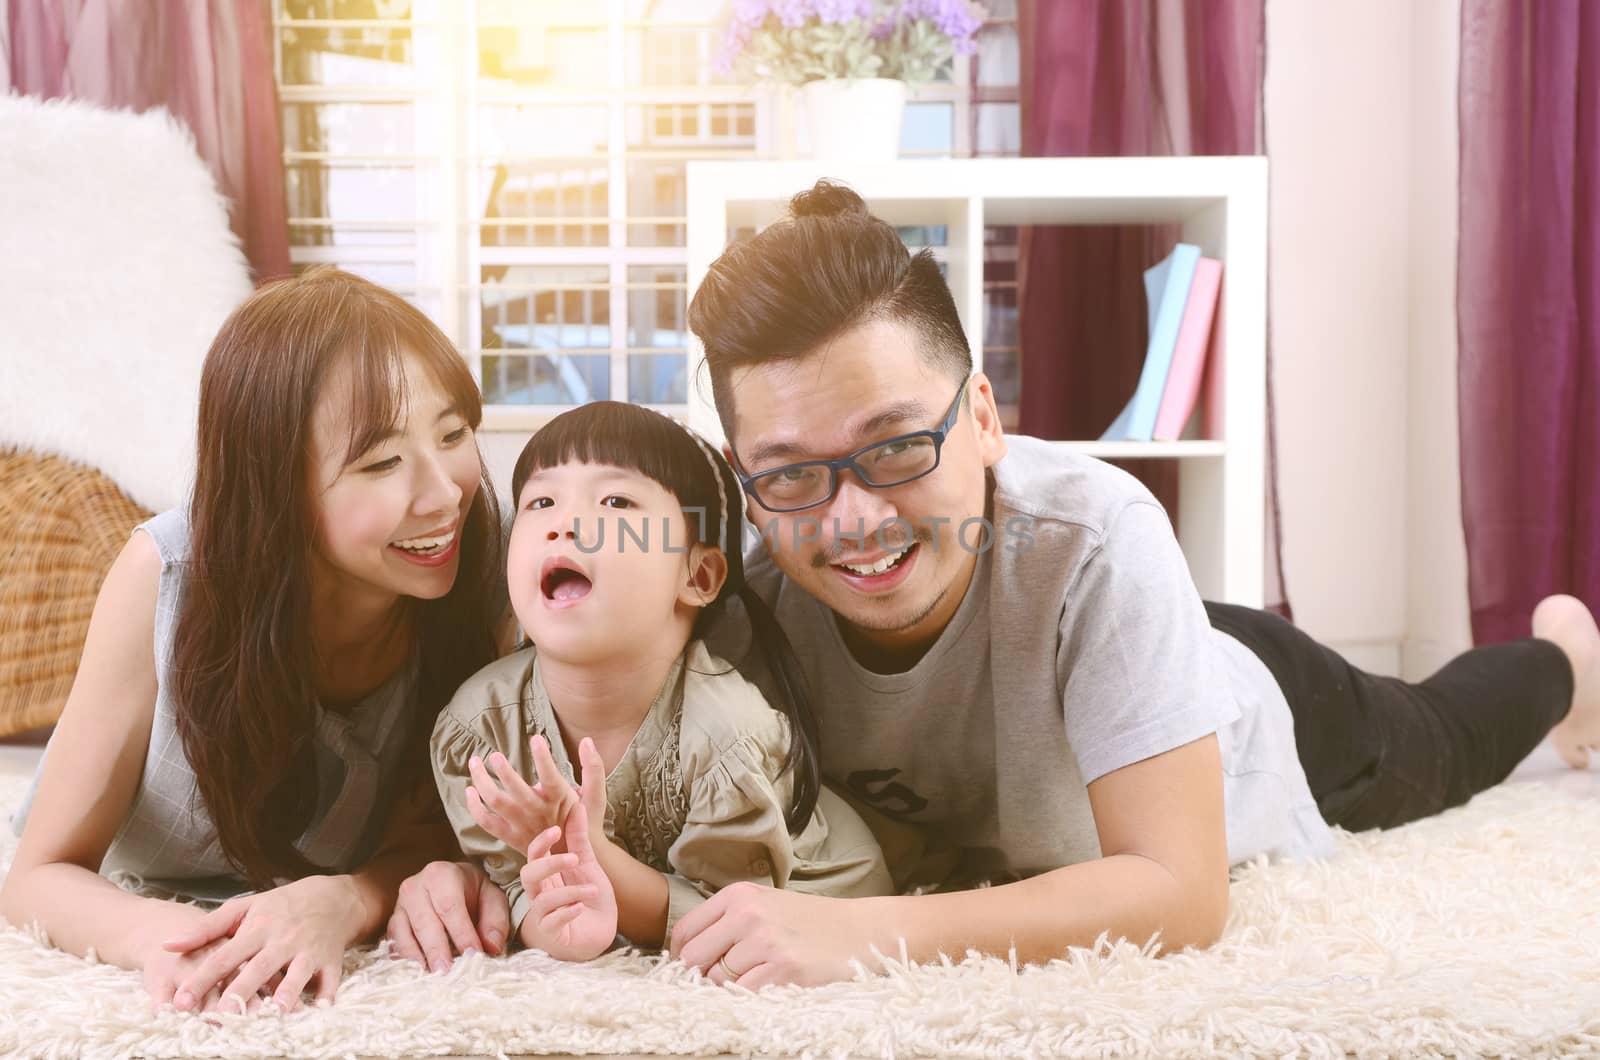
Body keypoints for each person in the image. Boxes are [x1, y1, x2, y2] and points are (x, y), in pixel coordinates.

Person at [394, 180, 1600, 988]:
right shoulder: (736, 575)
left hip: (1240, 699)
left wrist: (860, 936)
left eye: (895, 448)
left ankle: (1568, 661)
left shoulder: (1099, 533)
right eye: (791, 475)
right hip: (1058, 689)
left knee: (1434, 740)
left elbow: (1179, 895)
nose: (853, 517)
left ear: (982, 415)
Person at [1, 268, 510, 1014]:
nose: (443, 495)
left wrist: (346, 901)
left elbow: (437, 835)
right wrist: (176, 937)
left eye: (454, 434)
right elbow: (38, 876)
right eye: (380, 462)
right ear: (276, 483)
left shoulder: (485, 574)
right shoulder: (167, 575)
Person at [429, 401, 891, 961]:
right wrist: (539, 918)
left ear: (697, 576)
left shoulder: (727, 735)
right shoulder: (479, 727)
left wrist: (589, 852)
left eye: (616, 501)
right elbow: (509, 877)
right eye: (541, 501)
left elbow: (727, 916)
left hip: (810, 896)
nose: (563, 522)